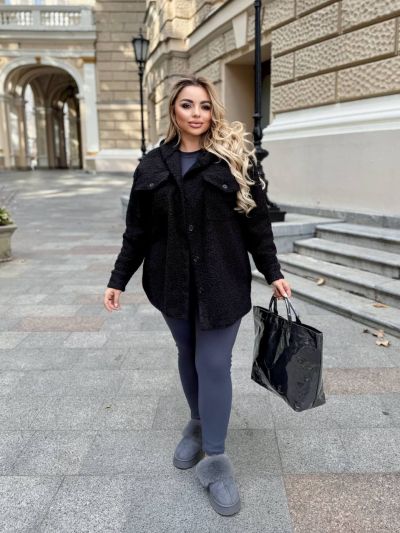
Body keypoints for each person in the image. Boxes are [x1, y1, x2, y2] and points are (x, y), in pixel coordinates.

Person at [103, 75, 292, 516]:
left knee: (213, 363)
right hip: (170, 284)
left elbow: (257, 224)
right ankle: (197, 422)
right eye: (187, 105)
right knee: (188, 355)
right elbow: (137, 231)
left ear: (213, 111)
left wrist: (273, 271)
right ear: (174, 110)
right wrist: (118, 279)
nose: (197, 114)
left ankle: (217, 459)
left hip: (222, 282)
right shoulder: (152, 165)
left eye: (205, 106)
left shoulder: (235, 159)